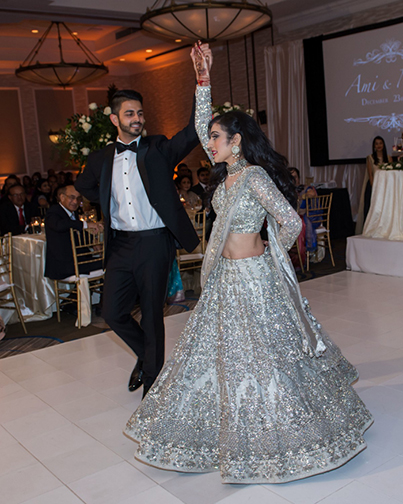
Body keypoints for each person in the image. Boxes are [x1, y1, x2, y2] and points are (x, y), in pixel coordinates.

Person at [124, 42, 373, 484]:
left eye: (218, 139)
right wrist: (203, 81)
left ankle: (285, 436)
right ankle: (228, 437)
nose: (210, 145)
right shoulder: (226, 177)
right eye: (212, 138)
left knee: (266, 361)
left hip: (254, 279)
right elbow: (202, 126)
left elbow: (290, 223)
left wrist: (269, 258)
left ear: (236, 141)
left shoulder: (254, 176)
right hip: (224, 280)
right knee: (222, 361)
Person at [75, 72, 200, 397]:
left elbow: (192, 133)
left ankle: (154, 390)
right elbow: (83, 185)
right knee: (113, 312)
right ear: (115, 118)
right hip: (121, 245)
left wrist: (202, 83)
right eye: (130, 113)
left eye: (140, 113)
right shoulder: (101, 157)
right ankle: (147, 358)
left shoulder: (157, 148)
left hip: (155, 242)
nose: (137, 119)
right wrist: (103, 198)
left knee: (152, 314)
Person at [44, 185, 101, 280]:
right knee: (109, 264)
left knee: (108, 261)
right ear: (62, 197)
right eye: (72, 197)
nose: (75, 202)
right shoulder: (54, 211)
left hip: (76, 261)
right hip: (63, 265)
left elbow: (76, 234)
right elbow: (60, 225)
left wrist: (93, 241)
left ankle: (87, 294)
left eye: (78, 198)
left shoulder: (73, 213)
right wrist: (85, 224)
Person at [356, 136, 392, 234]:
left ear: (383, 145)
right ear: (374, 146)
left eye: (380, 143)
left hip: (386, 188)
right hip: (374, 187)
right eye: (376, 143)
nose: (379, 145)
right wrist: (374, 188)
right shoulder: (370, 158)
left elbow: (391, 173)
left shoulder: (388, 158)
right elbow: (370, 174)